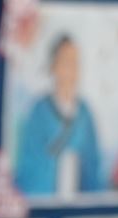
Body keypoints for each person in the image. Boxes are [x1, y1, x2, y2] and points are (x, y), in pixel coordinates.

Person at [13, 34, 102, 197]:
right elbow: (30, 163)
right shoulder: (39, 112)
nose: (72, 69)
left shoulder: (85, 113)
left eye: (76, 62)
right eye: (67, 61)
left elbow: (93, 163)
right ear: (54, 66)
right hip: (46, 198)